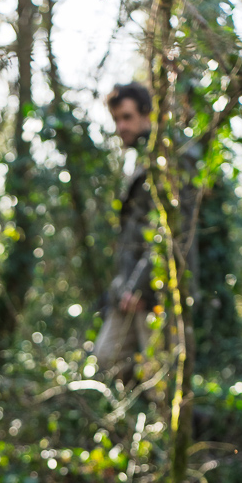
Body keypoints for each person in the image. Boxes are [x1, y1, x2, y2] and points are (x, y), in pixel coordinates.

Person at [94, 82, 156, 382]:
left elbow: (168, 235)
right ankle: (133, 426)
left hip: (154, 292)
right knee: (108, 358)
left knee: (161, 378)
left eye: (127, 117)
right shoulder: (137, 162)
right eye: (117, 119)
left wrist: (140, 286)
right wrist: (124, 286)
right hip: (127, 290)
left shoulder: (164, 161)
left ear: (146, 114)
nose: (121, 126)